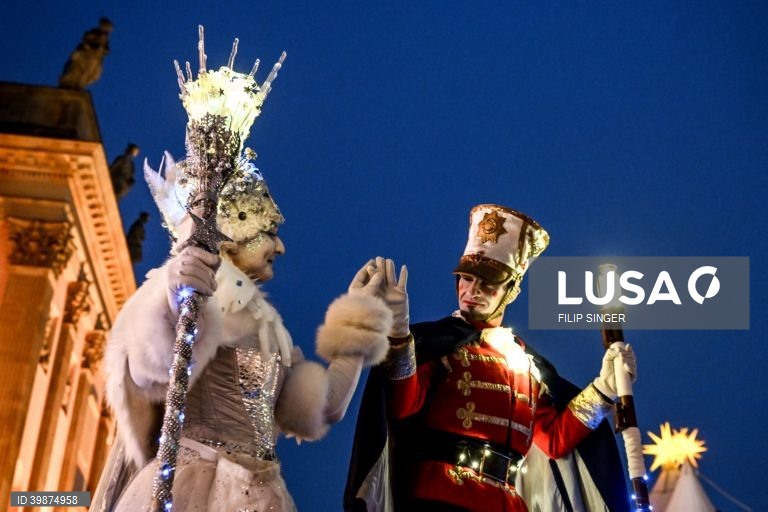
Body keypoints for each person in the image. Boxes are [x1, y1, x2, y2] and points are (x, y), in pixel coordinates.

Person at [96, 160, 393, 511]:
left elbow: (323, 407)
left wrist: (359, 317)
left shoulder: (269, 328)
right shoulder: (190, 294)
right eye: (269, 232)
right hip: (195, 491)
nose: (280, 247)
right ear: (233, 235)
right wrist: (175, 292)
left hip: (261, 492)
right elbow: (148, 370)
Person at [344, 204, 635, 512]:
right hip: (441, 498)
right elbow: (402, 408)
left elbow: (553, 440)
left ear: (512, 291)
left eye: (488, 283)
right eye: (467, 278)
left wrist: (603, 389)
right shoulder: (437, 345)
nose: (472, 290)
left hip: (507, 502)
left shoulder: (527, 364)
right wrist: (400, 336)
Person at [59, 17, 113, 90]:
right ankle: (70, 82)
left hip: (96, 56)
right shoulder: (95, 31)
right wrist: (92, 45)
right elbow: (86, 38)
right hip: (87, 52)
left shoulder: (106, 37)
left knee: (92, 71)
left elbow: (106, 50)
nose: (107, 30)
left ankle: (80, 83)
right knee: (77, 67)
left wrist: (103, 49)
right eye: (106, 27)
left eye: (108, 29)